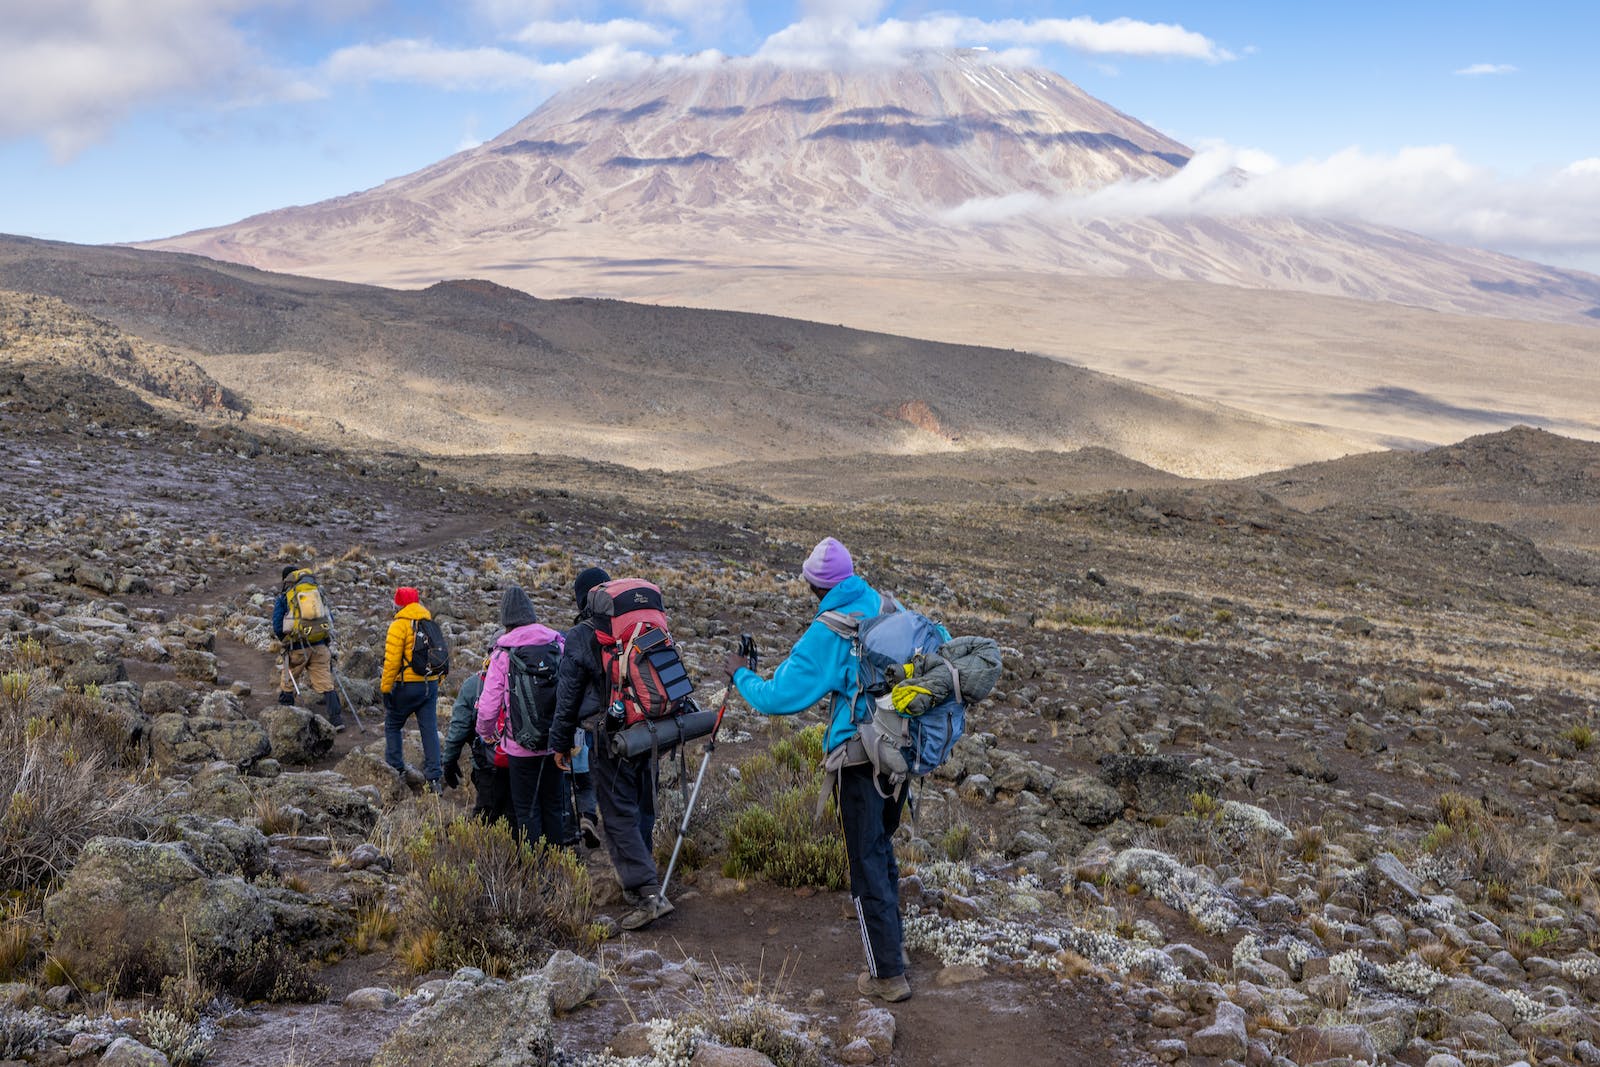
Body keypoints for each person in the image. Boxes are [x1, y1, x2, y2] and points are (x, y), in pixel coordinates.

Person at [723, 537, 912, 1003]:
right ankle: (895, 955)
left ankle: (888, 976)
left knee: (865, 861)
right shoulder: (884, 603)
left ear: (816, 586)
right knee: (880, 851)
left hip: (859, 757)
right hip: (900, 750)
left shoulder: (829, 630)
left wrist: (740, 674)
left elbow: (778, 697)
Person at [549, 566, 672, 931]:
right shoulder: (634, 628)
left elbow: (567, 697)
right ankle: (645, 868)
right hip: (651, 729)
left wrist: (559, 743)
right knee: (643, 802)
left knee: (617, 814)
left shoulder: (580, 637)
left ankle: (647, 892)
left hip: (610, 738)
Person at [477, 586, 569, 847]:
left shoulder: (502, 654)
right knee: (553, 806)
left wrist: (487, 735)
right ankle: (558, 868)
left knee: (527, 811)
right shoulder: (557, 645)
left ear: (506, 620)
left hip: (519, 748)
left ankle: (534, 870)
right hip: (555, 743)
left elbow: (487, 708)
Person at [380, 586, 443, 791]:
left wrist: (386, 689)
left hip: (407, 685)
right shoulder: (429, 622)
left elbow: (391, 663)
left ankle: (395, 769)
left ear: (399, 604)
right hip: (430, 684)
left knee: (393, 723)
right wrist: (436, 682)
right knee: (429, 729)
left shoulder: (399, 625)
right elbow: (440, 656)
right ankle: (434, 779)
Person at [271, 565, 344, 731]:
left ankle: (285, 718)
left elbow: (277, 625)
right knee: (326, 683)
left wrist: (286, 641)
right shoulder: (316, 592)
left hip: (297, 647)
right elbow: (329, 618)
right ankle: (337, 720)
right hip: (320, 645)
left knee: (288, 681)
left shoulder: (285, 597)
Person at [441, 657, 513, 826]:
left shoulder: (474, 685)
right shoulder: (526, 679)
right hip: (522, 763)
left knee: (487, 817)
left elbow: (459, 730)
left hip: (487, 764)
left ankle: (485, 849)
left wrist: (449, 761)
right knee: (517, 816)